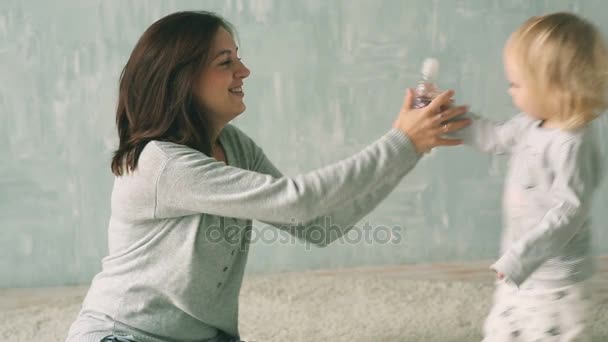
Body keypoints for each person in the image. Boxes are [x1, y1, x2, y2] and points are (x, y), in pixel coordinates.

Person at [65, 11, 469, 342]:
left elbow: (317, 224)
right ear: (181, 80)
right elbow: (296, 199)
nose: (244, 70)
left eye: (237, 57)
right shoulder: (161, 163)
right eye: (226, 62)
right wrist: (401, 140)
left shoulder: (236, 147)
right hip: (123, 334)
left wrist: (412, 148)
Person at [455, 12, 607, 342]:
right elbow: (494, 137)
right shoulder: (530, 123)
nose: (510, 91)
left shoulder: (571, 144)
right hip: (518, 271)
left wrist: (521, 258)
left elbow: (568, 213)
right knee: (500, 331)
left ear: (553, 88)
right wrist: (454, 120)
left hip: (556, 285)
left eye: (516, 84)